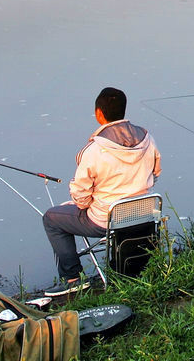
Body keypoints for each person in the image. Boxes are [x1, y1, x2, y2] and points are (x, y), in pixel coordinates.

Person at [41, 87, 161, 296]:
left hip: (106, 220)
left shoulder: (93, 150)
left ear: (99, 114)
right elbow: (156, 173)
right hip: (144, 215)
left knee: (51, 218)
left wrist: (84, 205)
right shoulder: (148, 139)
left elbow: (80, 195)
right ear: (123, 110)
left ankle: (72, 279)